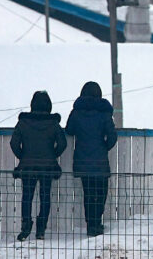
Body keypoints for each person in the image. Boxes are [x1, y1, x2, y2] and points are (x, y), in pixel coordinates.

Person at [10, 91, 67, 241]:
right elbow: (63, 143)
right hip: (47, 166)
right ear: (49, 105)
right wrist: (53, 155)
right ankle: (41, 229)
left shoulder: (23, 122)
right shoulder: (54, 123)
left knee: (27, 196)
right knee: (45, 197)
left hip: (27, 166)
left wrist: (23, 157)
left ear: (32, 104)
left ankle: (25, 227)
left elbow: (14, 143)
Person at [66, 81, 117, 237]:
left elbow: (69, 130)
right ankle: (96, 222)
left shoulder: (77, 112)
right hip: (100, 159)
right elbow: (112, 136)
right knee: (101, 192)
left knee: (88, 193)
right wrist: (103, 147)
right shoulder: (104, 113)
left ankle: (91, 224)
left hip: (82, 159)